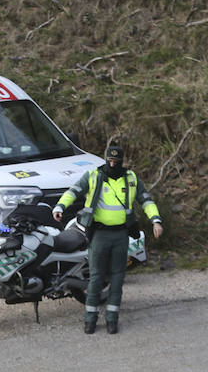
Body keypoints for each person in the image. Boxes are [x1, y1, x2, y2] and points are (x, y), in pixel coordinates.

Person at [53, 138, 163, 334]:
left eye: (116, 161)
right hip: (99, 234)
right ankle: (90, 319)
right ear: (105, 159)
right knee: (96, 278)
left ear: (121, 161)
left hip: (121, 235)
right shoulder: (94, 176)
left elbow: (146, 200)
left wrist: (156, 220)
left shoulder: (130, 179)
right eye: (109, 160)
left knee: (118, 278)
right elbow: (74, 191)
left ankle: (112, 318)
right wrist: (60, 206)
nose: (112, 164)